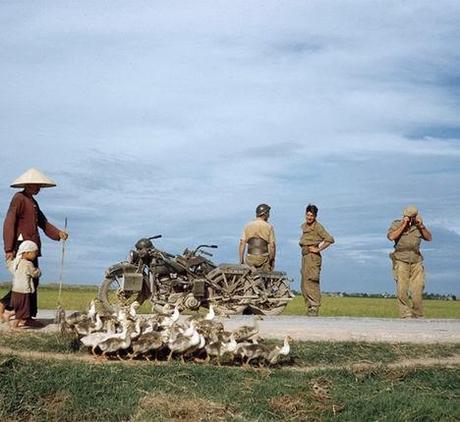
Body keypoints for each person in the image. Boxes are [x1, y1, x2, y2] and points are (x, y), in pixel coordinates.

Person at [0, 168, 68, 323]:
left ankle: (22, 313)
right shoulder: (18, 198)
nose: (38, 189)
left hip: (32, 247)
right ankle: (20, 315)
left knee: (31, 280)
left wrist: (58, 234)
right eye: (36, 185)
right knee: (25, 279)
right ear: (28, 184)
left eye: (39, 186)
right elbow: (9, 222)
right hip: (22, 247)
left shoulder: (33, 202)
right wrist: (9, 248)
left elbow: (43, 223)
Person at [387, 205, 432, 318]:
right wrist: (403, 225)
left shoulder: (419, 226)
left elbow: (429, 238)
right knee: (402, 288)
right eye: (409, 216)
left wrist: (421, 226)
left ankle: (417, 313)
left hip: (416, 260)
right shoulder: (397, 224)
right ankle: (405, 313)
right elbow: (391, 236)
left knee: (418, 288)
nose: (411, 219)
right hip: (401, 259)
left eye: (413, 217)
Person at [299, 204, 334, 316]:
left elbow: (329, 239)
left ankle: (314, 307)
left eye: (312, 216)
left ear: (315, 216)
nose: (309, 217)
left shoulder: (318, 227)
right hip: (305, 256)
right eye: (308, 215)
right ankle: (309, 307)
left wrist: (318, 249)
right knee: (304, 283)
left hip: (313, 258)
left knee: (312, 281)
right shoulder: (304, 226)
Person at [7, 241, 41, 329]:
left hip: (15, 291)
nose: (35, 255)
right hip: (23, 291)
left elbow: (10, 267)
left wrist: (8, 260)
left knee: (19, 307)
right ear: (26, 253)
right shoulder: (28, 264)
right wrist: (38, 271)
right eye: (34, 253)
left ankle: (8, 314)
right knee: (23, 310)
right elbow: (34, 274)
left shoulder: (16, 262)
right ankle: (14, 326)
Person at [239, 203, 276, 272]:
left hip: (250, 258)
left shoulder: (248, 225)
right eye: (268, 213)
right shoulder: (268, 226)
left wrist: (241, 260)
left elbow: (242, 243)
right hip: (263, 259)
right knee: (266, 280)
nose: (269, 215)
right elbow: (272, 246)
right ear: (264, 213)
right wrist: (271, 260)